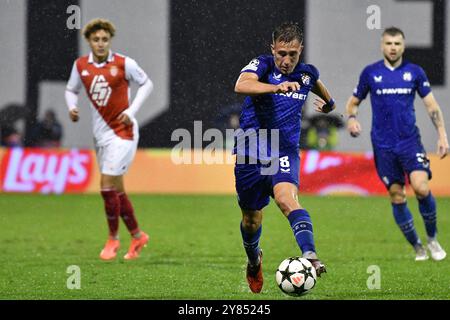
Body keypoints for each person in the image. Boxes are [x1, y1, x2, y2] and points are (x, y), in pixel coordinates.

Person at [234, 22, 335, 293]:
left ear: (301, 50)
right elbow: (241, 84)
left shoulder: (306, 74)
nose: (286, 60)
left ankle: (310, 254)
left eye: (292, 54)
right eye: (281, 53)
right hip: (250, 152)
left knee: (286, 200)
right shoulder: (264, 65)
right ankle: (254, 260)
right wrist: (274, 88)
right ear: (272, 49)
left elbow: (316, 84)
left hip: (283, 151)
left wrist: (330, 104)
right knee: (251, 220)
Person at [345, 27, 449, 261]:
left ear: (403, 46)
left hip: (409, 141)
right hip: (383, 146)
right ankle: (417, 246)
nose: (393, 47)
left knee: (421, 188)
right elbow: (352, 104)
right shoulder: (370, 73)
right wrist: (351, 119)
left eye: (397, 44)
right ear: (382, 45)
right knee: (397, 195)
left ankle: (432, 239)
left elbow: (431, 105)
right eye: (389, 43)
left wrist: (442, 134)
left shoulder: (415, 72)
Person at [65, 18, 154, 260]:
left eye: (104, 39)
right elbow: (71, 90)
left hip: (123, 133)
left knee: (105, 186)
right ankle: (137, 236)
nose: (101, 43)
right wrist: (72, 107)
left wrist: (131, 111)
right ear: (89, 41)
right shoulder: (81, 65)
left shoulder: (124, 64)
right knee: (117, 190)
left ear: (109, 40)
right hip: (101, 135)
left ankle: (112, 239)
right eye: (96, 39)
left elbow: (147, 84)